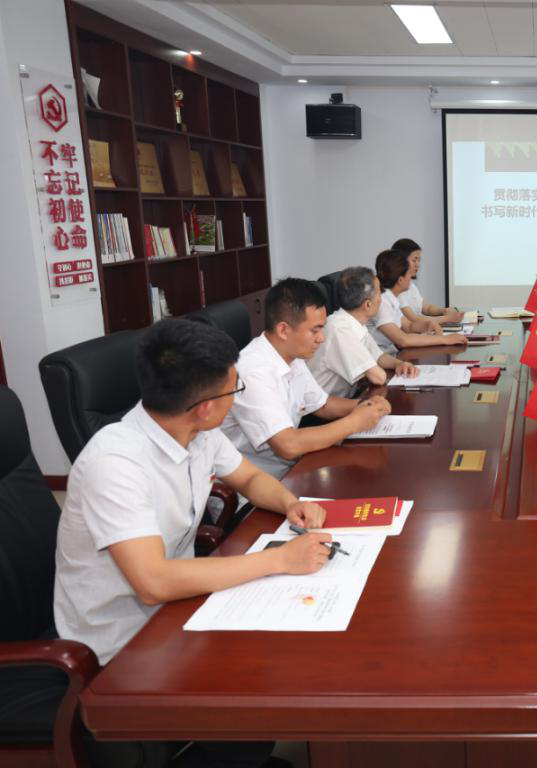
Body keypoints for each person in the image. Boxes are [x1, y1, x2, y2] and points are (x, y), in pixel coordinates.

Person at [54, 319, 335, 767]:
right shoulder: (115, 462)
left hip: (178, 612)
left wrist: (290, 503)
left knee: (291, 656)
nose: (236, 397)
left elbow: (248, 477)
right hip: (121, 642)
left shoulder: (195, 430)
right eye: (234, 390)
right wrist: (279, 560)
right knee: (263, 692)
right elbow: (154, 583)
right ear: (204, 407)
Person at [222, 278, 390, 479]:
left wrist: (366, 405)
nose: (321, 338)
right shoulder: (253, 371)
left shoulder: (292, 355)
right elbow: (288, 445)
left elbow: (323, 404)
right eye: (315, 330)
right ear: (284, 330)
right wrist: (355, 422)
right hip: (258, 485)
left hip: (293, 468)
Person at [308, 267, 419, 397]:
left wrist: (400, 364)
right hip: (322, 406)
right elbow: (378, 377)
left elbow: (379, 356)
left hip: (346, 398)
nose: (381, 299)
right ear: (367, 304)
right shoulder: (339, 329)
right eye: (379, 293)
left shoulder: (355, 323)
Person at [372, 248, 468, 351]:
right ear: (400, 280)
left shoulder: (391, 298)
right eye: (409, 273)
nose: (411, 276)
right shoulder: (382, 302)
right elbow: (403, 340)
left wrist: (427, 324)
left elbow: (409, 326)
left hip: (388, 353)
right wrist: (445, 339)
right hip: (379, 357)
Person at [392, 238, 465, 326]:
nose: (418, 264)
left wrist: (444, 311)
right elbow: (413, 319)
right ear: (400, 261)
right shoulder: (396, 287)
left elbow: (426, 308)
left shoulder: (410, 285)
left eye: (419, 260)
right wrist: (447, 318)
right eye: (414, 260)